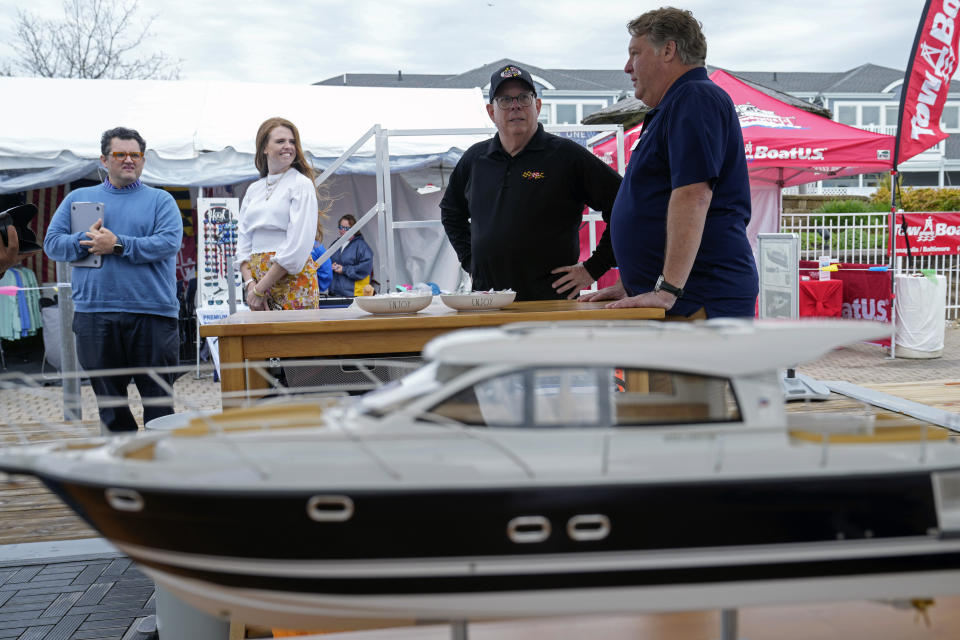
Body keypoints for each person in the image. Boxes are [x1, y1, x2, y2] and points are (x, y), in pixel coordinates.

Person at [581, 8, 758, 318]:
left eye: (635, 53)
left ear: (668, 50)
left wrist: (668, 289)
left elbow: (693, 195)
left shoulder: (694, 97)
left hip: (699, 298)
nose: (627, 67)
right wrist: (634, 283)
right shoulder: (676, 104)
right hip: (684, 298)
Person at [440, 63, 622, 301]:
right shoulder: (475, 159)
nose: (515, 106)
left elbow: (623, 204)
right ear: (491, 111)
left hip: (552, 304)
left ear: (537, 105)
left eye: (523, 97)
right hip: (487, 303)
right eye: (505, 100)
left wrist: (594, 267)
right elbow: (451, 212)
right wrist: (470, 260)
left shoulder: (567, 157)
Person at [43, 127, 183, 432]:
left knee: (159, 401)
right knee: (110, 402)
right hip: (94, 313)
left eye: (136, 155)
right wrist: (87, 240)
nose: (129, 160)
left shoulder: (162, 201)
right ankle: (125, 462)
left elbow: (168, 243)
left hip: (153, 313)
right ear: (104, 159)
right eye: (120, 154)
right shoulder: (78, 199)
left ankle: (163, 469)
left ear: (144, 160)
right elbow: (52, 244)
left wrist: (118, 245)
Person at [237, 117, 321, 311]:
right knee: (264, 342)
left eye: (292, 142)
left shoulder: (301, 184)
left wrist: (260, 289)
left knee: (295, 340)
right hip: (257, 284)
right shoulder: (253, 189)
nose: (288, 146)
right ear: (264, 147)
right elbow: (243, 243)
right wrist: (251, 286)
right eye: (280, 141)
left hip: (290, 280)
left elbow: (298, 245)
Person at [329, 214, 373, 297]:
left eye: (346, 228)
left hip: (352, 294)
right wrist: (330, 266)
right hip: (334, 293)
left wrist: (344, 270)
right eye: (341, 227)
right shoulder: (335, 244)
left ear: (354, 229)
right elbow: (327, 261)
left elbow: (365, 269)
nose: (343, 230)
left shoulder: (361, 246)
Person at [311, 227, 334, 295]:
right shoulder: (317, 245)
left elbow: (327, 268)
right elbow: (327, 269)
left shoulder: (316, 245)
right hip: (310, 290)